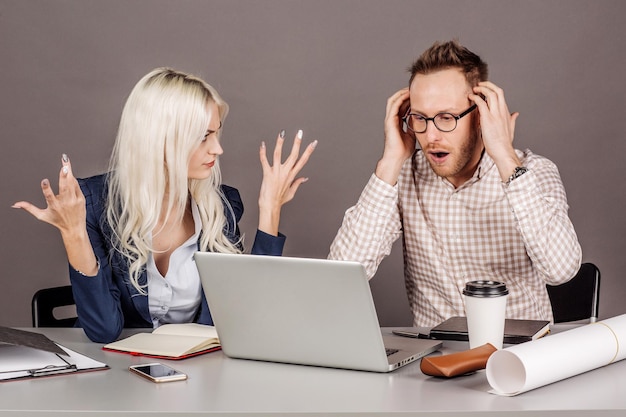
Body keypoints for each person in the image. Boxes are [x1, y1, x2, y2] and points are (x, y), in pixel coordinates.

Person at [13, 68, 317, 343]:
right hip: (116, 382)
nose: (218, 148)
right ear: (159, 140)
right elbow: (103, 329)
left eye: (217, 132)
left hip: (199, 379)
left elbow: (244, 319)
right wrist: (73, 234)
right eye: (203, 137)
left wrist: (270, 210)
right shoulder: (93, 203)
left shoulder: (221, 207)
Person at [329, 40, 581, 327]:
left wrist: (505, 158)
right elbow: (342, 273)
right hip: (436, 362)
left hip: (519, 356)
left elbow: (562, 271)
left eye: (446, 118)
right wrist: (389, 162)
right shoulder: (403, 176)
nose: (431, 135)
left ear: (480, 115)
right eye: (420, 119)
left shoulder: (533, 171)